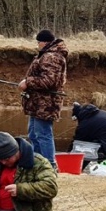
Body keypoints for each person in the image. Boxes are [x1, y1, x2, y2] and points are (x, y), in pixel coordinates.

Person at [19, 29, 68, 169]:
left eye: (38, 42)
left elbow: (49, 81)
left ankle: (49, 166)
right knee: (34, 134)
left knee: (43, 134)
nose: (37, 45)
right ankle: (38, 163)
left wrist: (28, 82)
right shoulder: (46, 55)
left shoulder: (52, 57)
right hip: (37, 103)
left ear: (45, 42)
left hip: (46, 103)